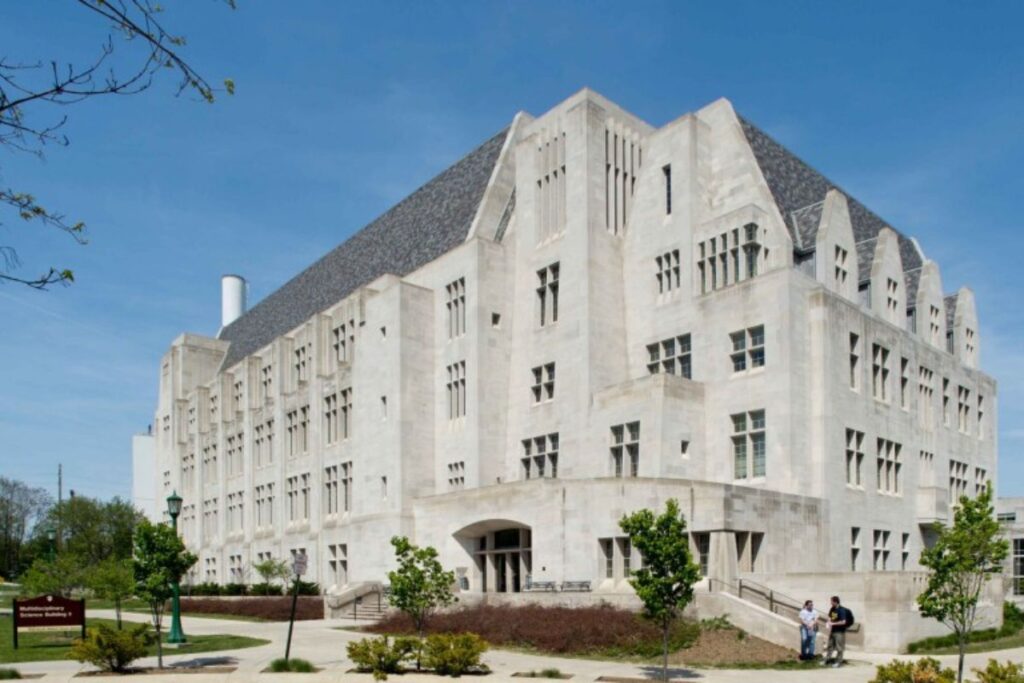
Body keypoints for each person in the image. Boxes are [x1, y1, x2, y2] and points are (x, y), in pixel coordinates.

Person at [822, 595, 852, 668]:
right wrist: (828, 622)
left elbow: (843, 622)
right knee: (830, 646)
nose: (830, 603)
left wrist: (833, 623)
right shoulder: (832, 608)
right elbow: (829, 617)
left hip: (839, 632)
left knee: (839, 647)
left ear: (835, 602)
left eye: (831, 601)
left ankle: (838, 662)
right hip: (833, 631)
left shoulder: (841, 610)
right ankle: (827, 660)